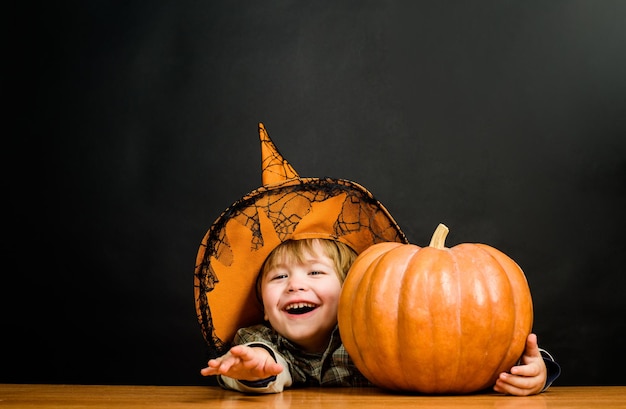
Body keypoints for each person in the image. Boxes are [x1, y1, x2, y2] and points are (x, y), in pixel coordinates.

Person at [194, 123, 560, 395]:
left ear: (354, 288)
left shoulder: (379, 332)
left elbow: (473, 348)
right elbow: (258, 363)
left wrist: (534, 368)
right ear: (262, 300)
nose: (295, 285)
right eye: (278, 278)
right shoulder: (264, 339)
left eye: (316, 271)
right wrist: (253, 369)